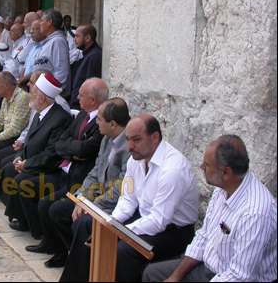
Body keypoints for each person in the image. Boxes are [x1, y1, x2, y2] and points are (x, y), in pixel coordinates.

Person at [79, 114, 199, 282]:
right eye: (127, 139)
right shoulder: (137, 158)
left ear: (155, 137)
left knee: (123, 250)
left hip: (174, 231)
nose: (130, 146)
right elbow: (128, 200)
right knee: (91, 226)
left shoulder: (173, 169)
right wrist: (111, 225)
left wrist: (118, 233)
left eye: (136, 139)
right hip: (146, 218)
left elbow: (159, 221)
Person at [143, 135, 277, 283]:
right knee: (152, 274)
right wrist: (175, 277)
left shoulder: (255, 213)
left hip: (232, 278)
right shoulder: (223, 188)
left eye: (207, 164)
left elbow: (239, 275)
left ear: (226, 173)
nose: (201, 166)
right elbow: (204, 236)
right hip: (209, 269)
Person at [20, 78, 109, 251]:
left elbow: (86, 149)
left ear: (93, 100)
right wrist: (73, 151)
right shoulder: (82, 115)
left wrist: (72, 148)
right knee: (30, 188)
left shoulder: (101, 121)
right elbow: (61, 142)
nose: (77, 97)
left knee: (49, 205)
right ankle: (49, 241)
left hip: (78, 178)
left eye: (81, 95)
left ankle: (61, 249)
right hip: (65, 170)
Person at [49, 98, 131, 275]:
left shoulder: (129, 147)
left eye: (99, 120)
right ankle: (77, 255)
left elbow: (121, 189)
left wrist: (90, 206)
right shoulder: (107, 139)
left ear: (113, 124)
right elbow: (95, 171)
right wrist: (81, 198)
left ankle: (81, 268)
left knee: (83, 223)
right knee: (58, 210)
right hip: (95, 197)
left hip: (112, 205)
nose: (96, 123)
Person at [0, 74, 73, 234]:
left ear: (41, 98)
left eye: (32, 94)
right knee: (8, 168)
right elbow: (31, 142)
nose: (29, 97)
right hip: (33, 160)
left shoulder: (60, 118)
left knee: (21, 180)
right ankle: (20, 216)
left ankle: (35, 227)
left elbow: (51, 153)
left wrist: (27, 165)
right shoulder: (40, 112)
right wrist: (21, 157)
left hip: (50, 167)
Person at [35, 9, 71, 99]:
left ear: (49, 22)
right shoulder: (49, 42)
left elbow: (61, 71)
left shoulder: (58, 41)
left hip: (51, 96)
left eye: (42, 20)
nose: (40, 23)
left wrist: (51, 93)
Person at [71, 25, 103, 109]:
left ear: (87, 38)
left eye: (77, 36)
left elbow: (91, 89)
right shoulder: (89, 55)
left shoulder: (94, 57)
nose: (74, 39)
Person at [19, 19, 46, 88]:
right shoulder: (33, 46)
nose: (31, 32)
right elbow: (25, 66)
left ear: (42, 30)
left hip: (34, 85)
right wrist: (21, 81)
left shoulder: (44, 48)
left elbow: (36, 70)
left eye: (34, 29)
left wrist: (21, 82)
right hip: (25, 85)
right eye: (31, 29)